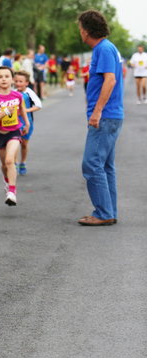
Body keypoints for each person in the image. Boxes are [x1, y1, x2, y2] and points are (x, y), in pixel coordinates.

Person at [77, 10, 124, 226]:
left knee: (91, 164)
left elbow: (110, 80)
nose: (80, 32)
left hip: (105, 117)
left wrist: (97, 112)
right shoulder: (106, 48)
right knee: (105, 166)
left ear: (86, 30)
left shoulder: (103, 49)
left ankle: (103, 213)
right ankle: (108, 211)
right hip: (111, 116)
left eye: (80, 28)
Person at [0, 66, 29, 206]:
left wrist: (26, 123)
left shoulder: (17, 95)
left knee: (10, 160)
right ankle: (7, 181)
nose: (4, 79)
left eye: (6, 76)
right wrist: (4, 113)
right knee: (4, 165)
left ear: (12, 79)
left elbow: (22, 108)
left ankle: (12, 192)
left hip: (14, 132)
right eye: (0, 77)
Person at [13, 71, 42, 175]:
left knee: (24, 144)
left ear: (26, 82)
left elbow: (39, 105)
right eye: (16, 81)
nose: (18, 83)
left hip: (27, 122)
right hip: (14, 122)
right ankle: (15, 163)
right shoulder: (12, 92)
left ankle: (23, 162)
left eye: (20, 81)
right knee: (15, 143)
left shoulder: (29, 92)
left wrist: (26, 110)